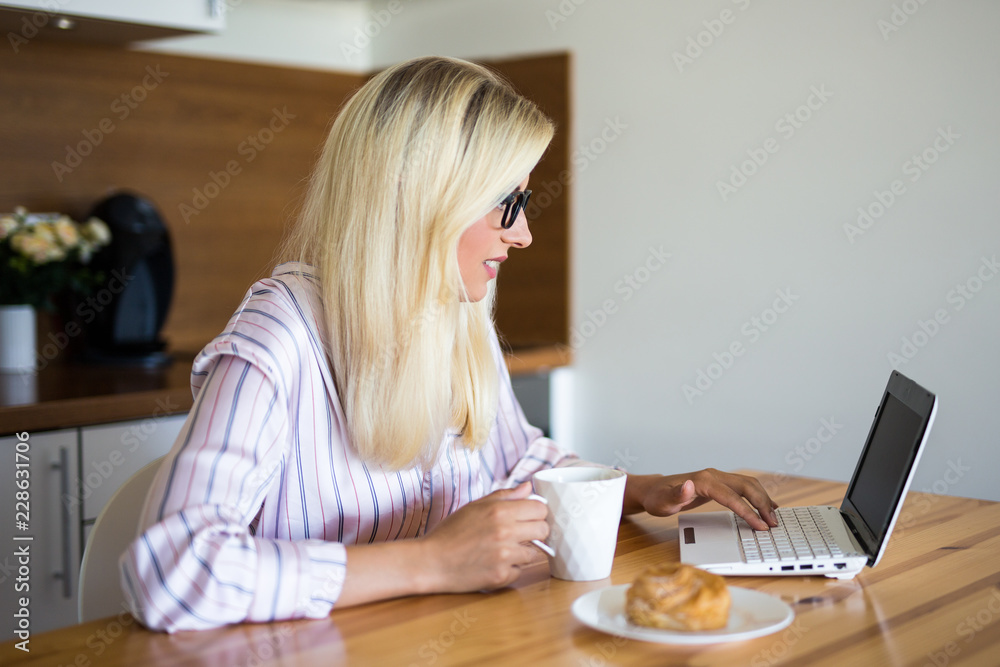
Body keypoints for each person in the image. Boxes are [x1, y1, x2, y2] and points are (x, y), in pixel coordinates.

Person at [121, 56, 778, 633]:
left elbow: (521, 467)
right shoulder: (279, 336)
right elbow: (173, 571)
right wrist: (431, 561)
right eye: (505, 204)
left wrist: (649, 489)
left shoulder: (455, 318)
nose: (521, 236)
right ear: (422, 199)